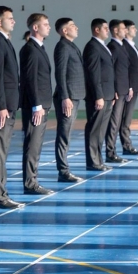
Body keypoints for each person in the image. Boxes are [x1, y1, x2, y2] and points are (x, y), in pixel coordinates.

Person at [19, 13, 54, 195]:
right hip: (36, 106)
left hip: (42, 104)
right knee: (32, 145)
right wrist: (36, 105)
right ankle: (30, 183)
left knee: (36, 144)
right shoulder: (30, 49)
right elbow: (30, 79)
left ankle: (32, 180)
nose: (49, 27)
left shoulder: (39, 48)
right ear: (35, 27)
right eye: (45, 24)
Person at [53, 17, 85, 183]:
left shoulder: (70, 45)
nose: (76, 27)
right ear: (64, 30)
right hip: (68, 97)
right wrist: (65, 97)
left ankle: (64, 169)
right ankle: (63, 171)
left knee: (67, 134)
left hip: (74, 95)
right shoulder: (63, 47)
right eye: (72, 26)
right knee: (64, 134)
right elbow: (60, 73)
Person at [0, 6, 23, 209]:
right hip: (3, 106)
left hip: (9, 104)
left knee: (2, 151)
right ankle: (0, 195)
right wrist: (1, 105)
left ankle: (1, 192)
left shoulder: (5, 41)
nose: (13, 21)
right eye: (10, 18)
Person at [83, 18, 114, 172]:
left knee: (101, 131)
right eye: (105, 28)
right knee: (94, 129)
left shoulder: (102, 46)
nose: (108, 31)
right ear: (97, 30)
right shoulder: (92, 47)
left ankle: (98, 160)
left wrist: (111, 93)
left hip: (107, 94)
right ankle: (92, 162)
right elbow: (94, 74)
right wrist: (98, 96)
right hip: (99, 96)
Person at [104, 19, 132, 164]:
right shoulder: (113, 47)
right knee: (113, 123)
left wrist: (129, 87)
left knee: (118, 122)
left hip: (123, 89)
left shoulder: (121, 46)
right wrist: (114, 89)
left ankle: (113, 151)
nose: (126, 31)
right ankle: (110, 153)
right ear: (115, 30)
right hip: (117, 91)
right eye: (123, 28)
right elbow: (111, 71)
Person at [119, 20, 138, 156]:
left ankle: (127, 144)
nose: (136, 30)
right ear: (126, 30)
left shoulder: (132, 45)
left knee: (127, 118)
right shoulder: (124, 46)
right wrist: (129, 87)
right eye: (133, 28)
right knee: (125, 118)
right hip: (129, 87)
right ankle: (126, 145)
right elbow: (125, 69)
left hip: (134, 86)